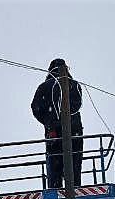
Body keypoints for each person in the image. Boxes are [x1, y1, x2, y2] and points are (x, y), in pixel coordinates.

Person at [31, 58, 83, 189]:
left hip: (53, 132)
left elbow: (35, 107)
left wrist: (49, 122)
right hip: (75, 132)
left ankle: (55, 187)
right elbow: (77, 105)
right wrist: (66, 118)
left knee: (54, 163)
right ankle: (75, 186)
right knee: (75, 162)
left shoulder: (44, 87)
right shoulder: (74, 85)